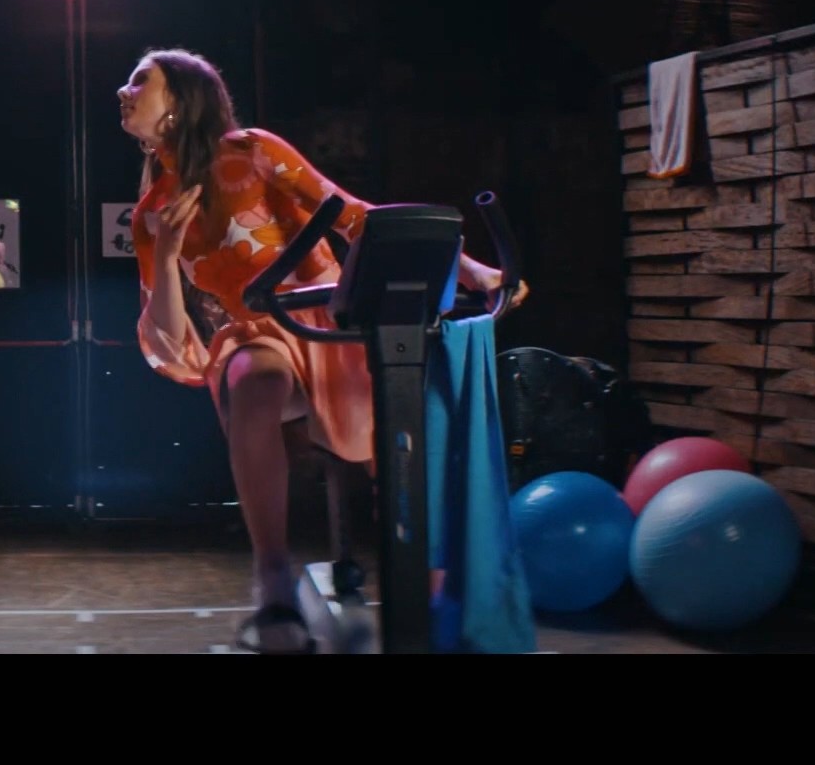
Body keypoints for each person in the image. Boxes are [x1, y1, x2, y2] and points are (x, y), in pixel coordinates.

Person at [117, 48, 528, 654]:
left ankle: (433, 588)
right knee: (253, 378)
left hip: (330, 322)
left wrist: (469, 269)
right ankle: (272, 579)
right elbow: (166, 330)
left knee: (393, 439)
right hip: (257, 330)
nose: (123, 93)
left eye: (139, 82)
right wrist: (171, 249)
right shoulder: (152, 212)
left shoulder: (252, 150)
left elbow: (352, 215)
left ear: (179, 99)